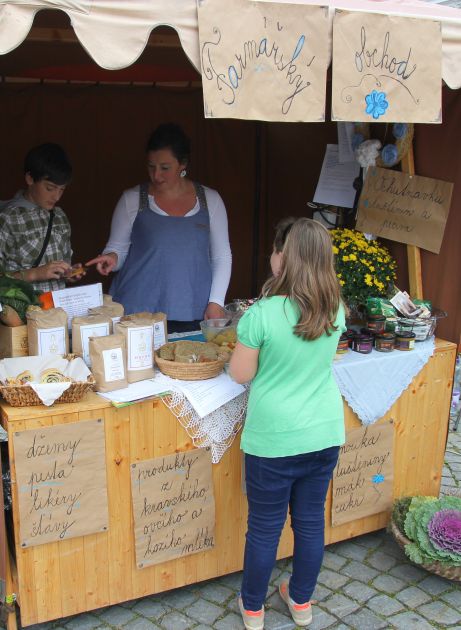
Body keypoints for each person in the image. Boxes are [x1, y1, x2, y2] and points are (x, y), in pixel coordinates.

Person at [229, 217, 346, 630]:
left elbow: (240, 374)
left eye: (279, 250)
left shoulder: (261, 314)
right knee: (311, 521)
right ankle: (300, 603)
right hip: (324, 431)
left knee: (264, 528)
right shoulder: (336, 308)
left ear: (286, 257)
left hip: (275, 437)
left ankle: (254, 608)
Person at [86, 123, 232, 333]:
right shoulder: (132, 199)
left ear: (183, 165)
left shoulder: (211, 200)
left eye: (165, 168)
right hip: (137, 310)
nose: (156, 175)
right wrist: (112, 258)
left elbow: (222, 256)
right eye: (151, 166)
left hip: (193, 309)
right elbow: (118, 248)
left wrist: (216, 301)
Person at [0, 143, 84, 293]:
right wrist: (35, 274)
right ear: (30, 178)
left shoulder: (59, 216)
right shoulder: (8, 219)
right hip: (22, 311)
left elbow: (64, 263)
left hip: (56, 311)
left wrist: (68, 273)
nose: (56, 196)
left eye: (62, 189)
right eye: (50, 188)